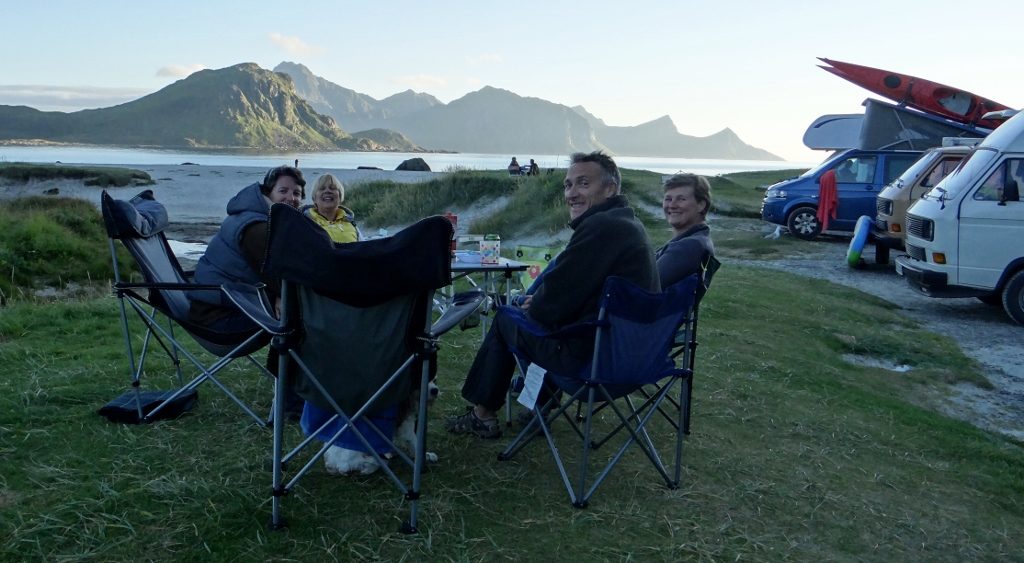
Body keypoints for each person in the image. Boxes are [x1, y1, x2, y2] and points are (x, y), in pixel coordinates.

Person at [446, 151, 659, 438]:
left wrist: (539, 304)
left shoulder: (601, 227)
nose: (572, 193)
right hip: (630, 358)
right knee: (541, 319)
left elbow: (551, 306)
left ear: (610, 189)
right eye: (568, 185)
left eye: (583, 183)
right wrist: (546, 302)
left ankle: (482, 415)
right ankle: (537, 409)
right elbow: (573, 289)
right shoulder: (628, 225)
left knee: (508, 319)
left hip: (593, 363)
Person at [188, 165, 306, 418]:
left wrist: (276, 293)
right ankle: (291, 403)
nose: (291, 198)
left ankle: (293, 394)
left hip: (226, 305)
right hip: (218, 321)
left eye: (297, 193)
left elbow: (273, 276)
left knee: (290, 308)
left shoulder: (258, 218)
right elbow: (282, 277)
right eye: (283, 190)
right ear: (267, 192)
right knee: (298, 320)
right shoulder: (256, 228)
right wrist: (279, 293)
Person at [656, 173, 715, 288]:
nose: (672, 205)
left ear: (701, 205)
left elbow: (645, 285)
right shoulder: (699, 238)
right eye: (668, 199)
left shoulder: (689, 246)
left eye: (681, 199)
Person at [303, 173, 361, 243]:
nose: (327, 191)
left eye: (332, 188)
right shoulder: (305, 222)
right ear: (314, 198)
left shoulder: (351, 224)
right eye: (322, 188)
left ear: (340, 196)